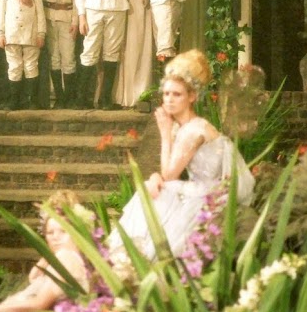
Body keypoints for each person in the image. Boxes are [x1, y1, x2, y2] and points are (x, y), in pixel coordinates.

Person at [108, 49, 255, 259]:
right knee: (150, 190)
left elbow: (170, 175)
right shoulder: (184, 127)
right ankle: (130, 257)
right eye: (166, 94)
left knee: (153, 194)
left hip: (206, 195)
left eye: (177, 94)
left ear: (191, 96)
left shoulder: (195, 130)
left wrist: (165, 133)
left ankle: (135, 257)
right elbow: (167, 173)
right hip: (195, 189)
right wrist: (156, 176)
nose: (169, 100)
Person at [0, 0, 46, 110]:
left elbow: (40, 14)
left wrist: (41, 34)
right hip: (11, 35)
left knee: (31, 65)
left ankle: (33, 100)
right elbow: (1, 13)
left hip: (30, 34)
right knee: (14, 66)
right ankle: (14, 100)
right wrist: (0, 33)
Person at [40, 0, 78, 109]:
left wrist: (75, 21)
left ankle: (70, 97)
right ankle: (59, 97)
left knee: (68, 57)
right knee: (53, 57)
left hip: (66, 17)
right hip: (48, 16)